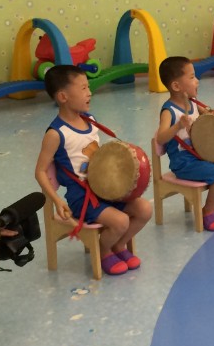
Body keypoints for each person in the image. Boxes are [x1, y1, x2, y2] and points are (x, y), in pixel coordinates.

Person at [34, 65, 151, 275]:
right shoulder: (56, 133)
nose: (90, 93)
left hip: (103, 189)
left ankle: (118, 245)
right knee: (121, 221)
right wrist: (57, 200)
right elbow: (40, 171)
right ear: (63, 96)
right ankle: (103, 249)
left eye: (88, 87)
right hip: (81, 198)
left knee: (144, 209)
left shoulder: (91, 120)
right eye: (83, 88)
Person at [155, 56, 214, 231]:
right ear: (176, 86)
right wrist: (178, 125)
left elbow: (209, 119)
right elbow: (161, 138)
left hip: (199, 156)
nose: (197, 81)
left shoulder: (194, 104)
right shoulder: (169, 111)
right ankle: (207, 211)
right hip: (183, 162)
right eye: (192, 77)